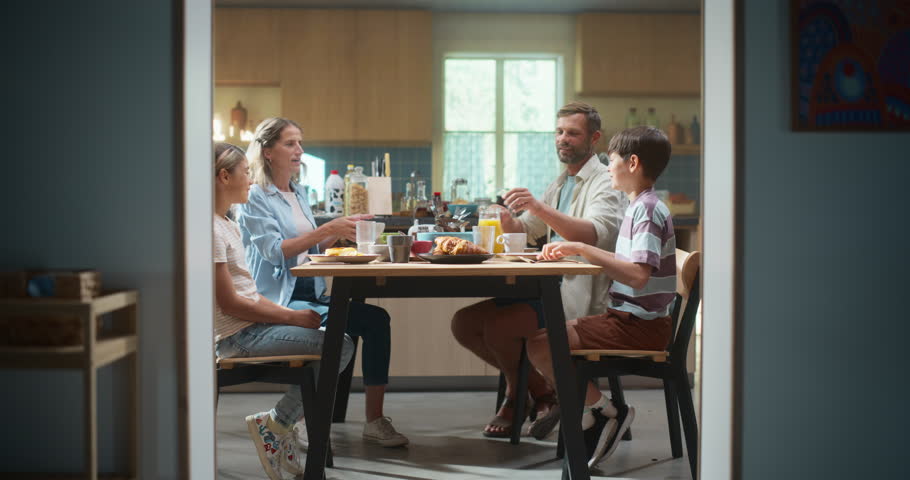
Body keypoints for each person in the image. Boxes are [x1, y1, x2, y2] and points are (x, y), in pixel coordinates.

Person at [451, 102, 626, 439]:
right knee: (465, 324)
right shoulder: (562, 182)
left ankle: (517, 398)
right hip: (549, 288)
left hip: (582, 297)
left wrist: (538, 207)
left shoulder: (605, 181)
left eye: (573, 133)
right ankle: (543, 394)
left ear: (595, 138)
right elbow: (527, 228)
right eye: (559, 132)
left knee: (501, 326)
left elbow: (592, 233)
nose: (563, 139)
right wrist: (507, 218)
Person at [236, 117, 409, 448]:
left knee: (376, 321)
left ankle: (374, 420)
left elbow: (309, 248)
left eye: (300, 142)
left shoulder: (298, 192)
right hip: (280, 298)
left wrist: (341, 235)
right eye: (290, 143)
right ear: (268, 151)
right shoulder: (255, 196)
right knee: (337, 340)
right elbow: (275, 252)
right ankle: (291, 418)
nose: (299, 150)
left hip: (311, 290)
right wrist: (328, 229)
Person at [526, 126, 677, 468]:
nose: (608, 167)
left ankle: (605, 412)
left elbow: (638, 275)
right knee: (538, 341)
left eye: (611, 161)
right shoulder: (638, 205)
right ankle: (599, 412)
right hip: (627, 319)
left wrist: (581, 247)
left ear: (633, 163)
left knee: (541, 345)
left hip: (639, 326)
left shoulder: (648, 211)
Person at [211, 142, 356, 480]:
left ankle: (275, 425)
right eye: (245, 172)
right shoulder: (212, 229)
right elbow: (229, 303)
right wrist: (290, 316)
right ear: (223, 176)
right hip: (239, 337)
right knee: (341, 345)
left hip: (250, 329)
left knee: (339, 341)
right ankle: (276, 424)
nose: (250, 180)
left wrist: (284, 313)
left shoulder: (227, 223)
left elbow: (249, 294)